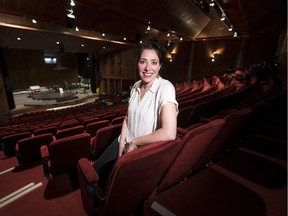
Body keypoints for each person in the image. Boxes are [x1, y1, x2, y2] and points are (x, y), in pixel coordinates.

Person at [94, 37, 179, 189]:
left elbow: (169, 133)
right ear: (138, 64)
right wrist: (121, 141)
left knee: (110, 185)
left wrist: (134, 142)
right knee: (96, 172)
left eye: (154, 62)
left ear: (160, 66)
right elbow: (128, 117)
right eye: (143, 61)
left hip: (140, 149)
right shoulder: (135, 86)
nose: (148, 68)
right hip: (125, 139)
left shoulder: (165, 88)